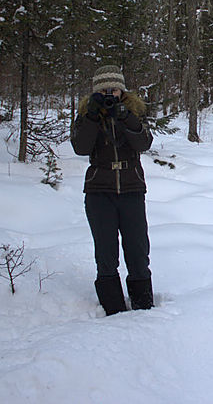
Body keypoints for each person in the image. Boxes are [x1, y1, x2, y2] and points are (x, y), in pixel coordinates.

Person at [71, 64, 155, 314]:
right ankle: (113, 308)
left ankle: (144, 306)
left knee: (138, 250)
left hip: (131, 188)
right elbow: (81, 147)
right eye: (104, 90)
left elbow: (144, 143)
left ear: (122, 91)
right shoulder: (86, 114)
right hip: (99, 190)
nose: (110, 95)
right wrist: (92, 117)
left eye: (114, 90)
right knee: (106, 253)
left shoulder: (135, 111)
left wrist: (126, 118)